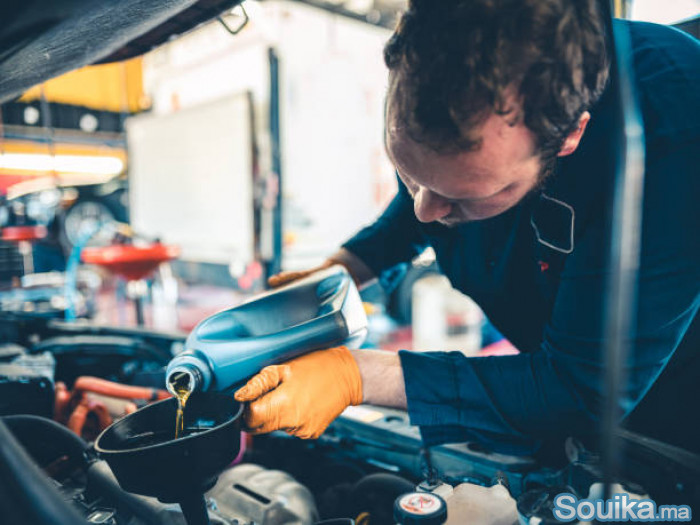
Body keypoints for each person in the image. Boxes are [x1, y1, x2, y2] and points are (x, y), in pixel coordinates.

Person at [235, 0, 700, 454]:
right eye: (407, 173)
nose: (424, 211)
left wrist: (356, 375)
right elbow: (428, 194)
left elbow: (580, 388)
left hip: (668, 418)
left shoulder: (674, 129)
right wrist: (347, 268)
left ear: (569, 137)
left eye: (462, 198)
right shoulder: (443, 59)